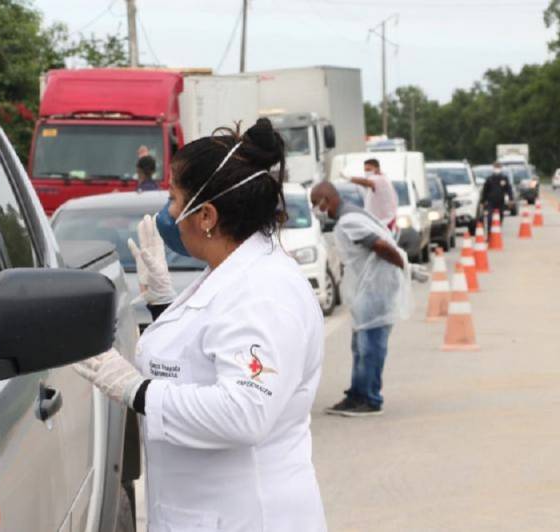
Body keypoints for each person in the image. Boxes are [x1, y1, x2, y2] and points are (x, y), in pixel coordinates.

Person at [76, 119, 327, 531]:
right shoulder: (234, 272)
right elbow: (205, 354)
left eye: (175, 199)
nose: (168, 213)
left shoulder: (263, 293)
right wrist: (163, 305)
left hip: (246, 516)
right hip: (208, 512)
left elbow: (245, 411)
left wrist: (137, 391)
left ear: (207, 215)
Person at [310, 181, 411, 417]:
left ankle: (370, 399)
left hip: (376, 290)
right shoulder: (352, 215)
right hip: (368, 290)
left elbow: (381, 246)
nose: (315, 208)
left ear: (328, 199)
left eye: (316, 203)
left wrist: (402, 266)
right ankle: (357, 393)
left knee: (370, 347)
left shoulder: (350, 221)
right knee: (360, 345)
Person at [345, 158, 399, 229]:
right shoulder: (382, 179)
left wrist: (349, 178)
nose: (366, 172)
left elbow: (367, 182)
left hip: (384, 223)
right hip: (379, 222)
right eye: (365, 170)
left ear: (377, 169)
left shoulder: (380, 179)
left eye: (368, 170)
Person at [481, 162, 514, 237]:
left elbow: (508, 189)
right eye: (496, 167)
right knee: (490, 218)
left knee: (500, 216)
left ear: (501, 168)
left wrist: (511, 199)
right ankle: (489, 234)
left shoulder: (504, 178)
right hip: (491, 201)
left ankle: (497, 232)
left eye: (498, 167)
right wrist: (483, 201)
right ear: (493, 168)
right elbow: (485, 191)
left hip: (500, 201)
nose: (497, 169)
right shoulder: (489, 179)